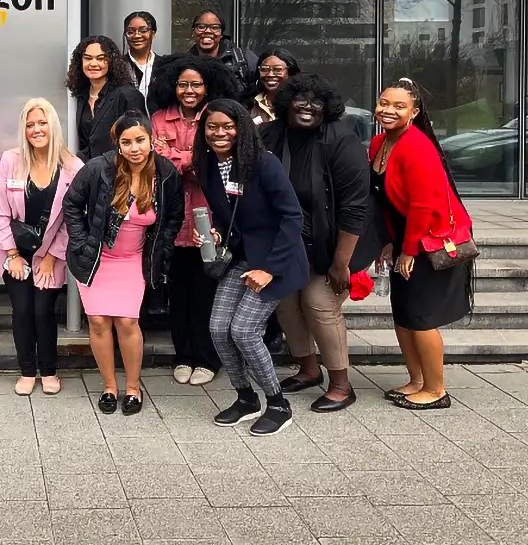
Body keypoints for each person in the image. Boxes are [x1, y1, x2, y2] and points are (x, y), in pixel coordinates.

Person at [195, 98, 307, 437]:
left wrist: (270, 269)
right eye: (212, 126)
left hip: (276, 260)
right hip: (242, 257)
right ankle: (246, 398)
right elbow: (229, 211)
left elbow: (292, 217)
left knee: (243, 330)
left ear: (242, 128)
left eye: (228, 126)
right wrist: (216, 232)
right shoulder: (208, 165)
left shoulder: (263, 164)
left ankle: (278, 403)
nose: (220, 133)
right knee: (217, 328)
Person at [260, 73, 370, 413]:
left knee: (320, 305)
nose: (308, 108)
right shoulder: (270, 135)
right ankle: (308, 369)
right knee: (287, 305)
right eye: (300, 100)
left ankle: (341, 385)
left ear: (328, 108)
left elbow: (355, 207)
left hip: (331, 244)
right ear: (286, 103)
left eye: (317, 103)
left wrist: (341, 264)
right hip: (285, 243)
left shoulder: (341, 140)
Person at [65, 112, 183, 416]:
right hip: (96, 258)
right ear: (117, 144)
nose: (134, 148)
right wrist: (80, 243)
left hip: (133, 259)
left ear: (151, 140)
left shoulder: (165, 172)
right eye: (126, 142)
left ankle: (133, 387)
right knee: (99, 321)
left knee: (128, 322)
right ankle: (109, 386)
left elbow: (172, 217)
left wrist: (163, 248)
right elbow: (72, 204)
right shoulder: (99, 168)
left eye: (140, 140)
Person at [371, 78, 473, 410]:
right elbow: (383, 200)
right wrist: (389, 241)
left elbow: (422, 205)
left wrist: (409, 250)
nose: (388, 110)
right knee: (403, 315)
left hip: (428, 241)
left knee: (421, 316)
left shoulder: (417, 146)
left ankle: (436, 389)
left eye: (399, 106)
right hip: (403, 236)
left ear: (414, 113)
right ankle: (417, 379)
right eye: (384, 103)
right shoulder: (378, 144)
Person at [148, 55, 240, 388]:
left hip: (208, 218)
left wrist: (183, 159)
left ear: (207, 87)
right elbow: (158, 164)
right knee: (178, 291)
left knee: (206, 292)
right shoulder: (159, 118)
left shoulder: (215, 117)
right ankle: (183, 355)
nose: (189, 90)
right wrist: (191, 160)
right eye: (183, 84)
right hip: (172, 216)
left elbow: (212, 158)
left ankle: (207, 358)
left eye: (196, 84)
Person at [0, 98, 83, 396]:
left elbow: (74, 219)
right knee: (22, 310)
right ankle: (27, 370)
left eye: (42, 123)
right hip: (14, 251)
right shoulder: (11, 160)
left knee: (43, 311)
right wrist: (13, 255)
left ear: (53, 125)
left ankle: (49, 369)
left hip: (52, 253)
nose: (36, 129)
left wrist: (52, 256)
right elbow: (0, 213)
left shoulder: (72, 166)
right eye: (30, 124)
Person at [67, 35, 146, 162]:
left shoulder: (127, 95)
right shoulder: (81, 96)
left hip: (122, 172)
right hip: (92, 174)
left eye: (101, 59)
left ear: (111, 61)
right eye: (88, 58)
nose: (93, 64)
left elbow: (139, 140)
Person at [187, 10, 257, 98]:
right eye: (201, 27)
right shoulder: (185, 63)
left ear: (221, 34)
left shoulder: (243, 58)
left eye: (215, 27)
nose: (208, 31)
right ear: (193, 32)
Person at [247, 49, 301, 126]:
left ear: (290, 72)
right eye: (265, 69)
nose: (270, 74)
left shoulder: (300, 103)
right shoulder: (249, 104)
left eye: (277, 69)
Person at [122, 11, 161, 109]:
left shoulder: (164, 66)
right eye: (130, 32)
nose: (137, 36)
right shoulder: (117, 65)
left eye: (143, 31)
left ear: (153, 33)